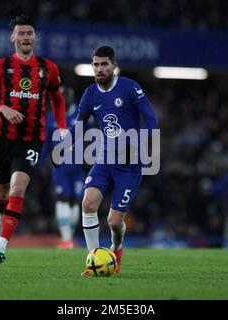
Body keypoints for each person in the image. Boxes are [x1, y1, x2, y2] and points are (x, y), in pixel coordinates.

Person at [60, 46, 158, 274]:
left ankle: (117, 246)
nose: (99, 69)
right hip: (104, 158)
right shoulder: (91, 93)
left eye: (104, 64)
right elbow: (80, 122)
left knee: (114, 222)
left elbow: (151, 119)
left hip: (129, 163)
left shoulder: (129, 87)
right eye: (95, 64)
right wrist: (68, 143)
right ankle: (93, 260)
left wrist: (136, 142)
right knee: (88, 203)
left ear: (114, 66)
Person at [0, 14, 66, 264]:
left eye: (30, 33)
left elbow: (57, 100)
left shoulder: (48, 68)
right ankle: (0, 214)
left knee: (18, 188)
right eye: (21, 33)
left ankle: (2, 246)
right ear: (13, 37)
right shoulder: (0, 66)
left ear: (35, 37)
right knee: (2, 196)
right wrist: (3, 109)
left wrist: (61, 127)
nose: (26, 37)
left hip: (31, 139)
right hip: (3, 139)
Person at [40, 87, 87, 249]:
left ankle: (69, 237)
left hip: (78, 165)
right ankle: (66, 239)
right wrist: (40, 164)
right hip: (59, 166)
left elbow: (92, 137)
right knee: (63, 198)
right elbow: (45, 144)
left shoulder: (81, 116)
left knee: (75, 202)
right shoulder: (51, 117)